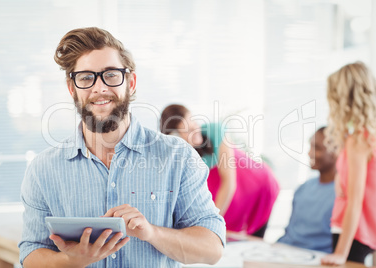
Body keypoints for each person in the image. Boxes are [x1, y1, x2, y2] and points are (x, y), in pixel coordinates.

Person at [18, 27, 226, 268]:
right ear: (72, 88)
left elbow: (212, 249)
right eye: (86, 77)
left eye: (111, 75)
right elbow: (31, 253)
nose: (99, 88)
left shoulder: (177, 156)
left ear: (131, 81)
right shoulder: (43, 169)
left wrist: (152, 233)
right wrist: (69, 261)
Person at [160, 104, 280, 238]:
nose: (195, 129)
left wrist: (211, 223)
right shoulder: (182, 160)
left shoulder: (215, 131)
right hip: (233, 204)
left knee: (253, 247)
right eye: (186, 130)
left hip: (260, 188)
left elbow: (228, 182)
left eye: (193, 121)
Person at [321, 62, 376, 265]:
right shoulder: (372, 136)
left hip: (353, 233)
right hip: (371, 230)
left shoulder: (358, 141)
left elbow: (355, 200)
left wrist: (341, 254)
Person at [277, 127, 337, 253]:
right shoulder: (303, 188)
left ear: (335, 152)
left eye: (317, 148)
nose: (310, 153)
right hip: (284, 251)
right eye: (310, 147)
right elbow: (289, 231)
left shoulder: (342, 195)